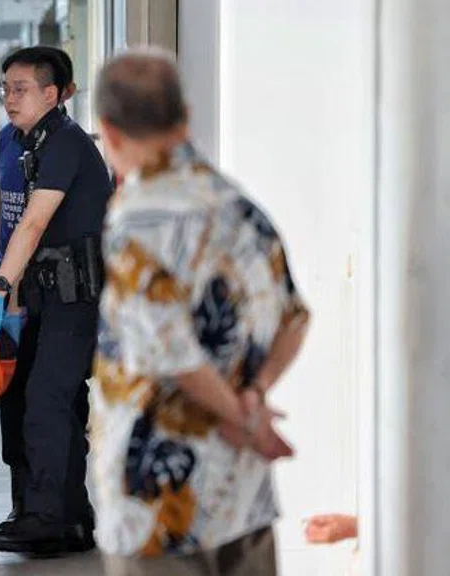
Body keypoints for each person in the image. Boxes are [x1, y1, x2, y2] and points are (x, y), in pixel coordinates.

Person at [90, 47, 310, 575]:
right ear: (184, 118)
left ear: (109, 133)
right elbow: (295, 318)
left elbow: (171, 355)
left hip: (159, 507)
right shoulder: (237, 205)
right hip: (242, 494)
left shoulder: (136, 219)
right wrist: (254, 398)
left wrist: (244, 420)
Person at [0, 46, 111, 555]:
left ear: (52, 95)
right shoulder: (18, 141)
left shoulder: (66, 144)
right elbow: (9, 215)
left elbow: (33, 223)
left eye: (21, 89)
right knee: (39, 402)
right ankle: (69, 516)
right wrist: (5, 286)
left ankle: (46, 517)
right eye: (5, 89)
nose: (9, 99)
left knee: (48, 400)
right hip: (38, 292)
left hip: (74, 296)